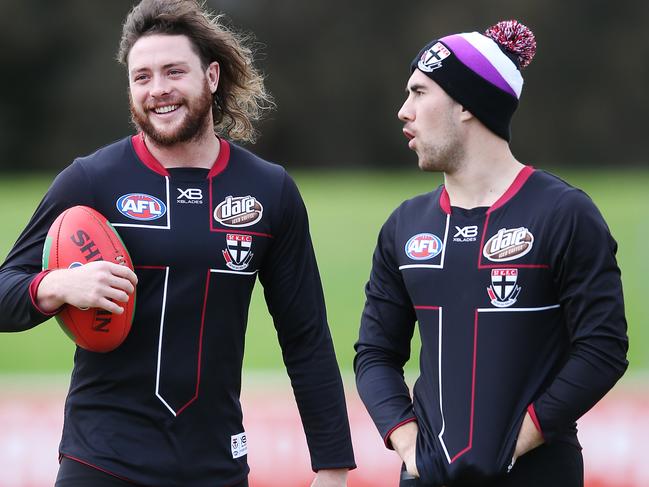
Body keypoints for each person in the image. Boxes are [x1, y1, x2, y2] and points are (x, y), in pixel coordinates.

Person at [0, 0, 355, 485]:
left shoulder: (270, 192)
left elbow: (306, 336)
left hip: (215, 466)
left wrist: (333, 465)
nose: (158, 90)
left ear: (211, 77)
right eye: (141, 77)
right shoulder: (91, 181)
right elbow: (4, 291)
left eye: (173, 71)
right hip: (101, 461)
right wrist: (58, 285)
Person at [354, 20, 628, 487]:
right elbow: (375, 355)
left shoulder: (564, 213)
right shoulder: (404, 225)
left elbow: (603, 348)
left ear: (466, 104)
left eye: (420, 92)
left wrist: (515, 442)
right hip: (427, 477)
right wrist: (408, 447)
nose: (404, 111)